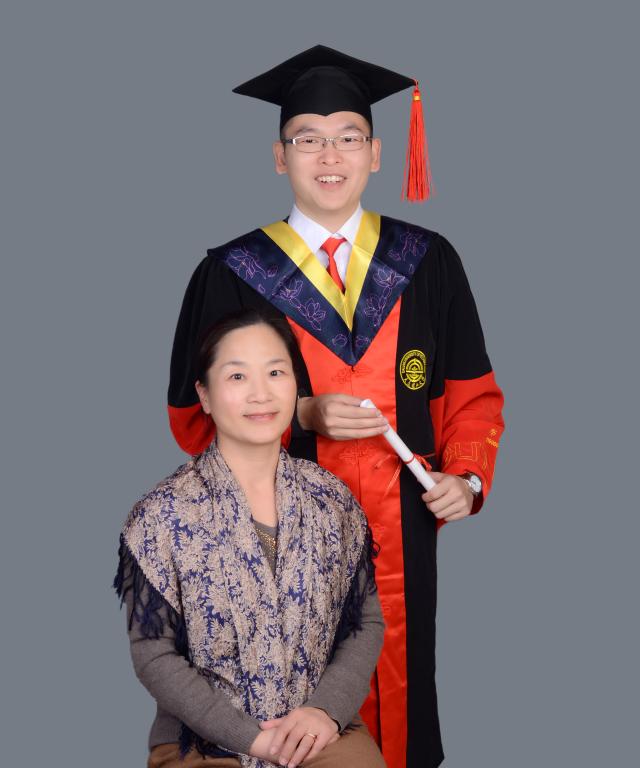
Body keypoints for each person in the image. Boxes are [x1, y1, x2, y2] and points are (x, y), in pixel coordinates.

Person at [167, 46, 505, 768]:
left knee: (401, 705)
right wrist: (301, 415)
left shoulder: (428, 261)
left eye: (349, 137)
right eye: (308, 139)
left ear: (377, 154)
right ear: (279, 156)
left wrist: (467, 479)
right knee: (288, 723)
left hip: (403, 532)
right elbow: (192, 421)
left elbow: (470, 397)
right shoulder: (232, 272)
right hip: (275, 540)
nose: (330, 156)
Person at [115, 310, 386, 768]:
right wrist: (251, 739)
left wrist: (324, 712)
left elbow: (367, 623)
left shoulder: (331, 500)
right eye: (237, 376)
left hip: (318, 733)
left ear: (296, 385)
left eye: (276, 372)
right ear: (204, 395)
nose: (261, 393)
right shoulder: (160, 515)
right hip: (200, 742)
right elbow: (153, 655)